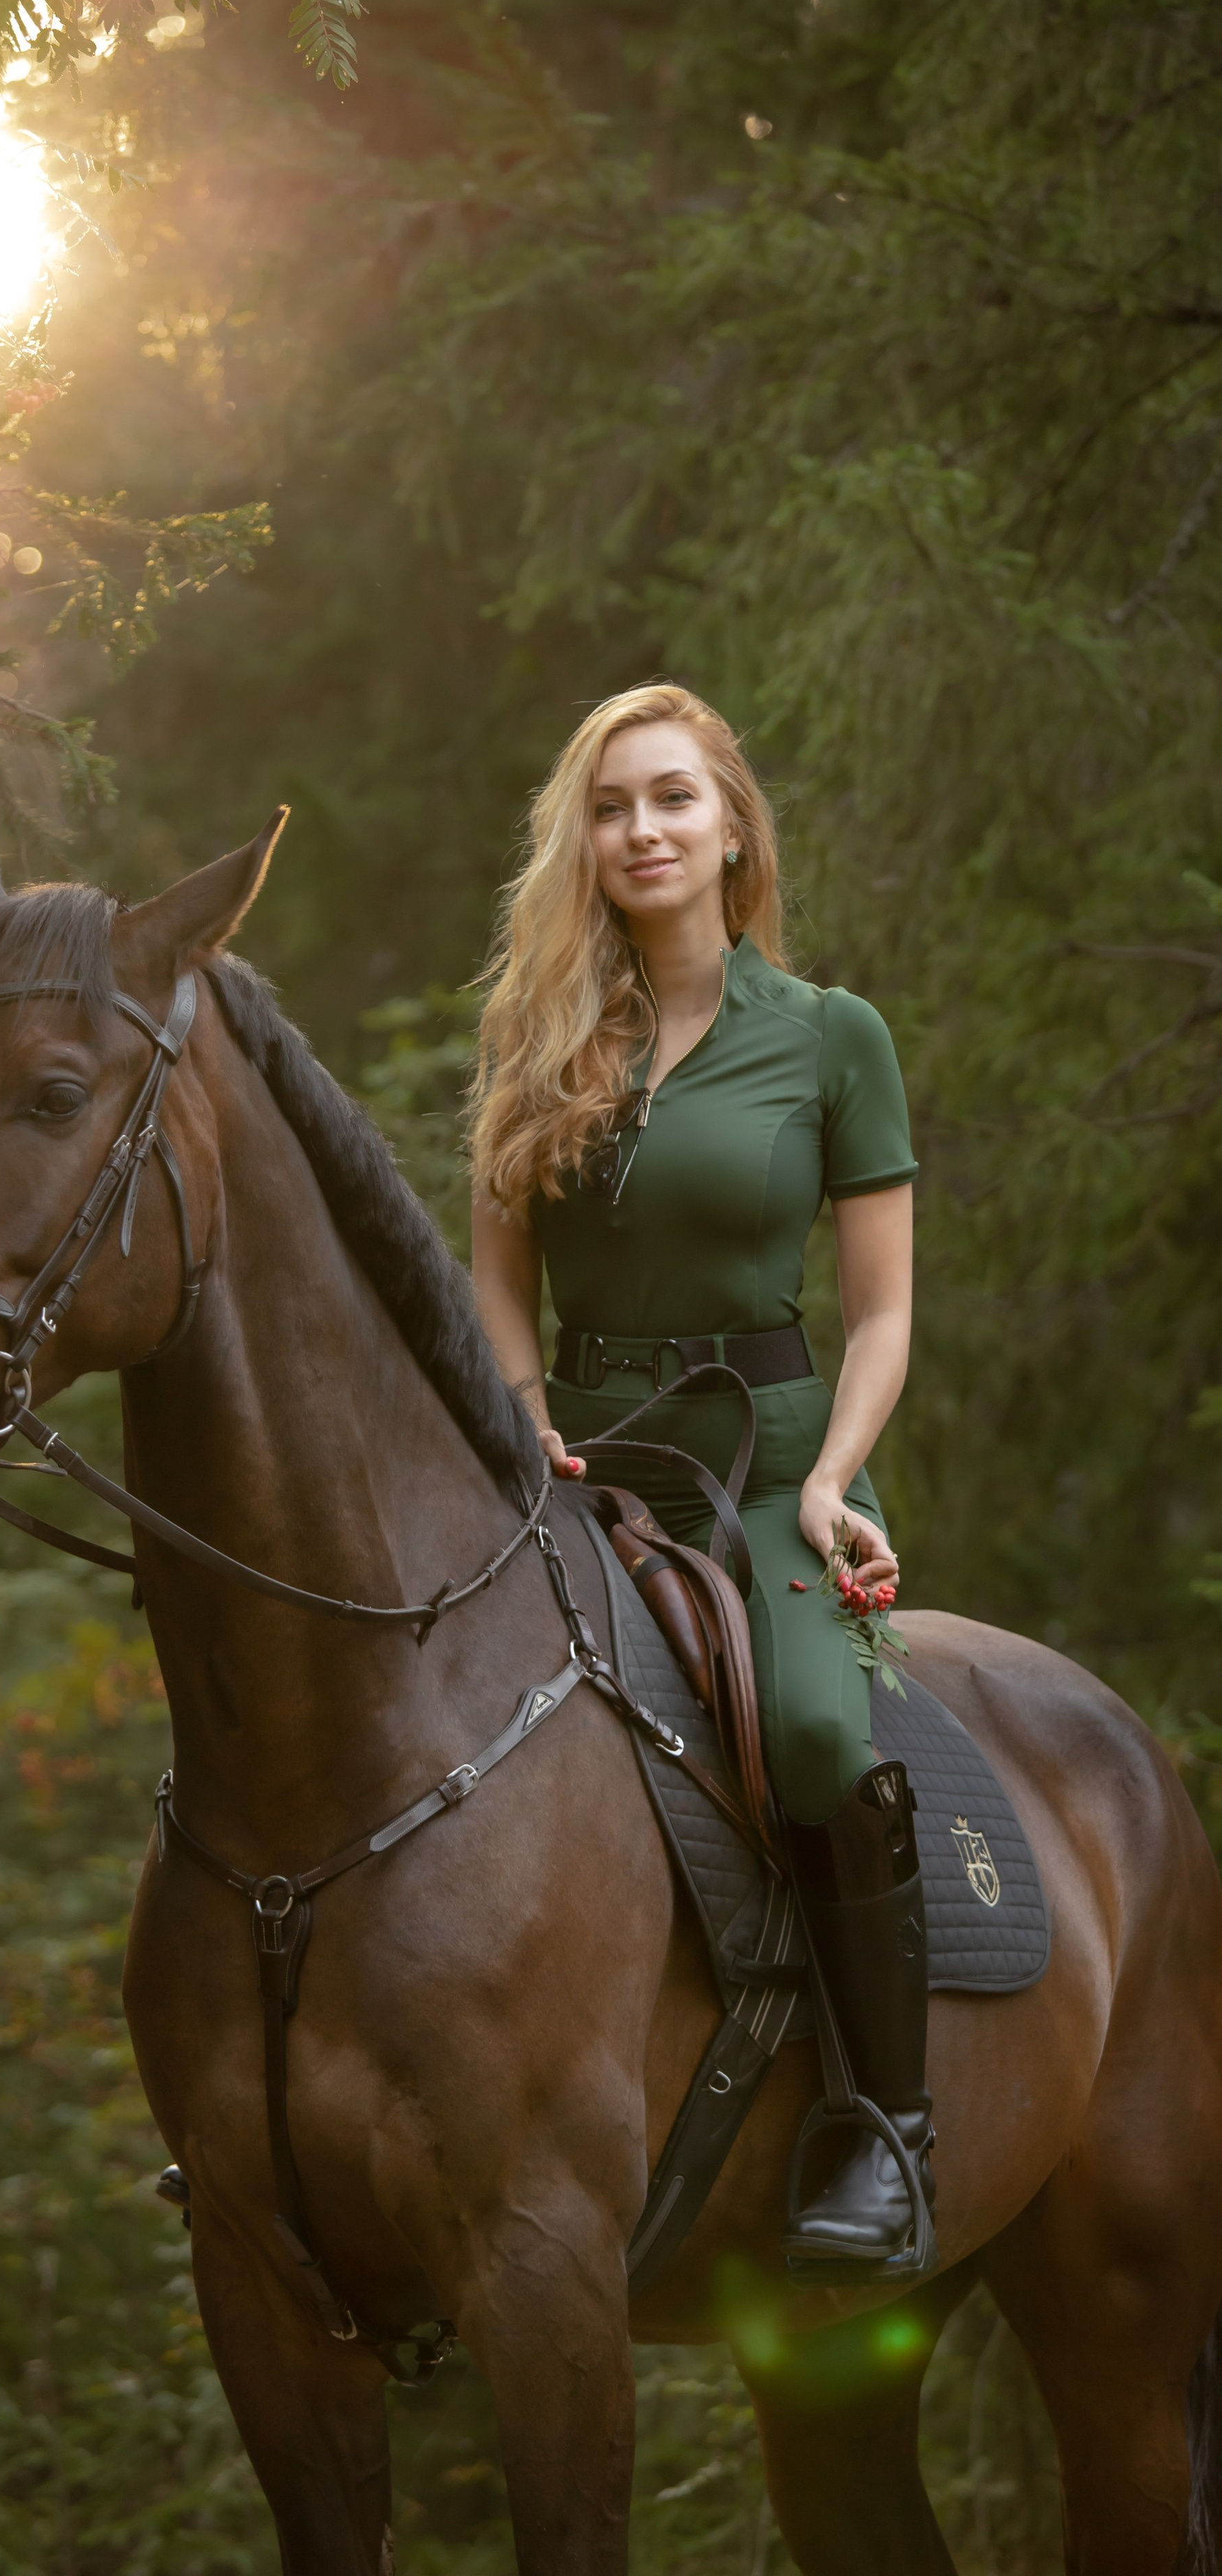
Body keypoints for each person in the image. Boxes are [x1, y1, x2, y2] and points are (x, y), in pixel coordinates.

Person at [469, 680, 930, 2273]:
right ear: (581, 844)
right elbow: (496, 1282)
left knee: (812, 1730)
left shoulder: (828, 1038)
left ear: (732, 828)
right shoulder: (537, 1039)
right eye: (610, 807)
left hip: (763, 1472)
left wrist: (836, 1480)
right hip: (574, 1466)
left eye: (671, 799)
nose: (640, 829)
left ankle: (886, 2126)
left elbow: (879, 1310)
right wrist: (520, 1411)